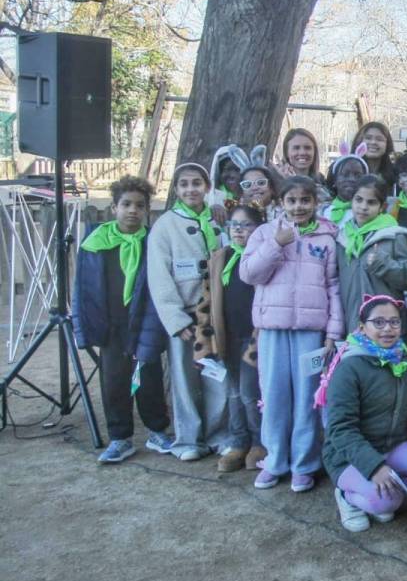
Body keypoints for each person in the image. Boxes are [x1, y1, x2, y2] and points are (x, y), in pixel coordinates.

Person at [241, 175, 344, 493]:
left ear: (315, 202)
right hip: (272, 329)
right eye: (292, 200)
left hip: (310, 333)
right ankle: (275, 461)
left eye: (305, 200)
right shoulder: (264, 233)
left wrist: (333, 332)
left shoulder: (328, 238)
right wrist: (276, 244)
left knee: (307, 398)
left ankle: (304, 464)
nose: (299, 207)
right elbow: (249, 274)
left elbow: (334, 286)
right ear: (281, 202)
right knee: (273, 396)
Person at [319, 295, 407, 532]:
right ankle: (347, 495)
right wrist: (374, 467)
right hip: (347, 456)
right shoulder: (349, 367)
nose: (388, 329)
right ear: (362, 327)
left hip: (392, 445)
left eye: (394, 322)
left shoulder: (404, 358)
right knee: (386, 503)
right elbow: (340, 429)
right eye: (378, 322)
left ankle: (384, 486)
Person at [74, 176, 173, 464]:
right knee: (114, 380)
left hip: (143, 323)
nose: (133, 210)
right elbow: (82, 287)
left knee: (148, 377)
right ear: (113, 207)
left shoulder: (153, 242)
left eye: (140, 206)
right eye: (126, 204)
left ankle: (157, 430)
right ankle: (120, 438)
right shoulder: (95, 242)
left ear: (147, 211)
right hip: (111, 324)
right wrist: (84, 326)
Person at [147, 163, 232, 462]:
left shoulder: (218, 220)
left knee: (217, 376)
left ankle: (218, 434)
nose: (191, 189)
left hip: (215, 314)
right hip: (185, 315)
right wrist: (175, 320)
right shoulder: (165, 226)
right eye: (184, 184)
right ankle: (188, 439)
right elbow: (159, 276)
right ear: (176, 189)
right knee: (184, 379)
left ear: (207, 187)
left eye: (197, 183)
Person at [209, 204, 267, 472]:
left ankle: (258, 441)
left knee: (249, 392)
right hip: (228, 336)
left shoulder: (262, 257)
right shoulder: (221, 257)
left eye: (246, 225)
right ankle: (238, 441)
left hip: (252, 338)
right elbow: (209, 297)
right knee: (232, 392)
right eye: (234, 225)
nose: (239, 231)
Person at [336, 174, 407, 320]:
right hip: (352, 320)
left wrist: (384, 265)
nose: (363, 207)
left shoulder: (393, 235)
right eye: (359, 200)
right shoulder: (342, 237)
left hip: (385, 324)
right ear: (351, 201)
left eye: (371, 202)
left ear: (382, 207)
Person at [320, 147, 369, 228]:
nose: (351, 179)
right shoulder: (323, 212)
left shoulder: (369, 212)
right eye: (345, 174)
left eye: (358, 175)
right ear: (334, 181)